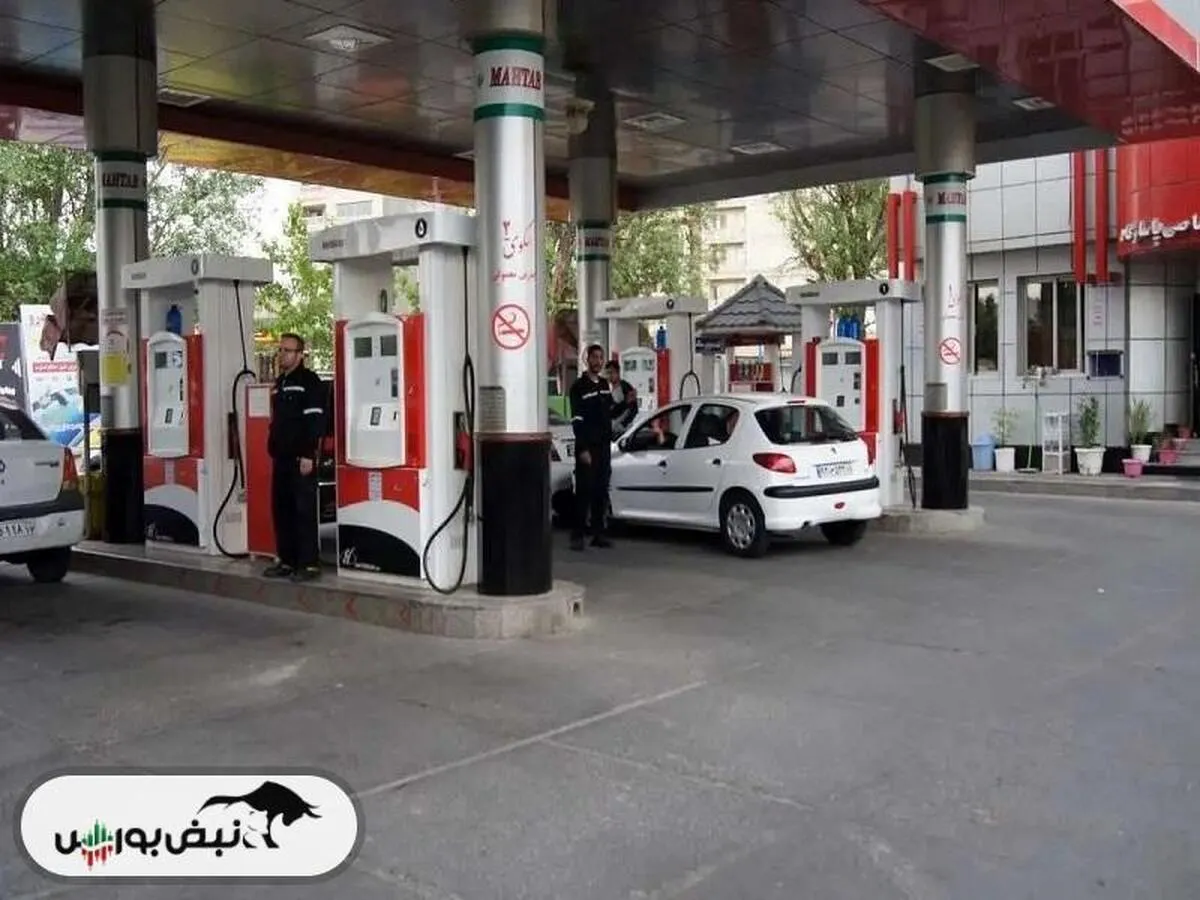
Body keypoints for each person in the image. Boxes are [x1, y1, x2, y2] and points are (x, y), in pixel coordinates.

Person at [263, 333, 326, 582]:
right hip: (282, 458)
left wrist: (309, 454)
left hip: (301, 458)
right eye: (280, 350)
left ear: (300, 355)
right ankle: (287, 561)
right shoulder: (280, 383)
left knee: (303, 511)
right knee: (282, 510)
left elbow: (315, 420)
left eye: (287, 351)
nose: (282, 355)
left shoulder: (309, 381)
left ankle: (308, 564)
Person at [568, 344, 615, 551]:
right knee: (584, 491)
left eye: (601, 357)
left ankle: (598, 534)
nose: (598, 361)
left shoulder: (604, 385)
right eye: (594, 357)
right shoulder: (578, 387)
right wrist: (583, 449)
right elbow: (577, 421)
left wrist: (628, 404)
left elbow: (610, 412)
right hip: (587, 447)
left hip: (604, 447)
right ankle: (577, 535)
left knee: (601, 491)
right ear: (587, 360)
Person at [605, 360, 638, 436]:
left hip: (624, 430)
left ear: (618, 372)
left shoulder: (625, 387)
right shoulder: (608, 389)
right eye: (608, 373)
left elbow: (634, 409)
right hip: (612, 429)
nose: (610, 376)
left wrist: (624, 424)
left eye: (612, 372)